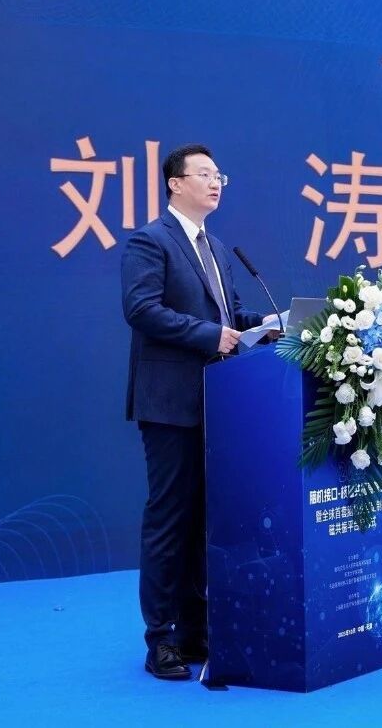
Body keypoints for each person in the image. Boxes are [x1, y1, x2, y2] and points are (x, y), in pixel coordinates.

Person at [120, 144, 276, 680]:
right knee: (170, 518)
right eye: (205, 174)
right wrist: (212, 335)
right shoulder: (150, 241)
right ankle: (160, 638)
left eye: (219, 175)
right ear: (175, 183)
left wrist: (265, 324)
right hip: (170, 403)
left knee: (205, 520)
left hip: (219, 403)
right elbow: (141, 309)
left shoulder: (216, 248)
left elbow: (230, 312)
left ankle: (194, 630)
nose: (216, 183)